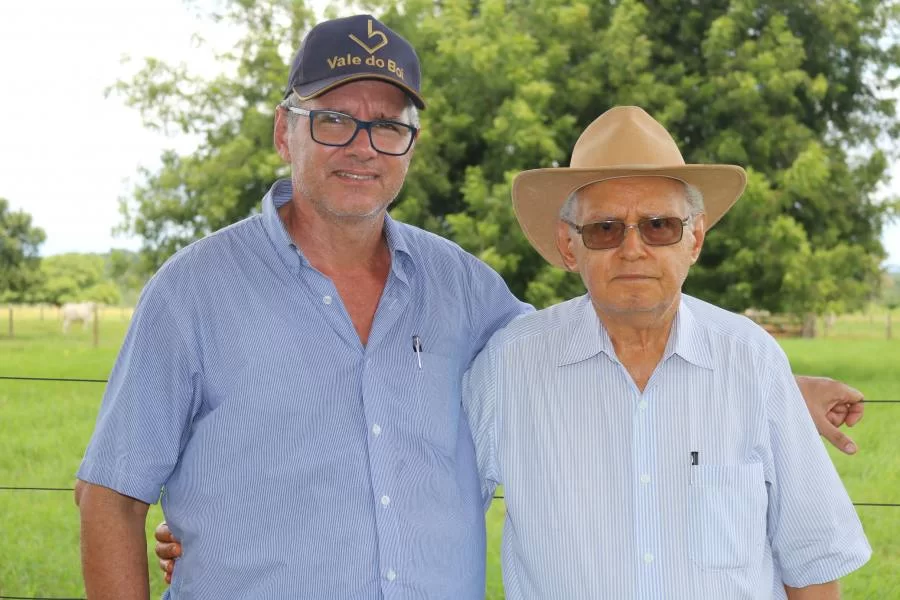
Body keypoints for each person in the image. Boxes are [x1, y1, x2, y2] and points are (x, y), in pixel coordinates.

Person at [75, 14, 864, 600]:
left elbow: (611, 345)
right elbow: (109, 493)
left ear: (411, 146)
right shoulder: (192, 290)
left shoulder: (459, 285)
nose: (362, 145)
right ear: (287, 131)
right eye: (335, 119)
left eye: (388, 126)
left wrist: (777, 396)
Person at [461, 106, 870, 598]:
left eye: (659, 226)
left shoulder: (752, 361)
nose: (633, 249)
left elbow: (812, 563)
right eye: (605, 229)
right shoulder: (510, 367)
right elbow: (436, 516)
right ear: (570, 248)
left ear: (694, 239)